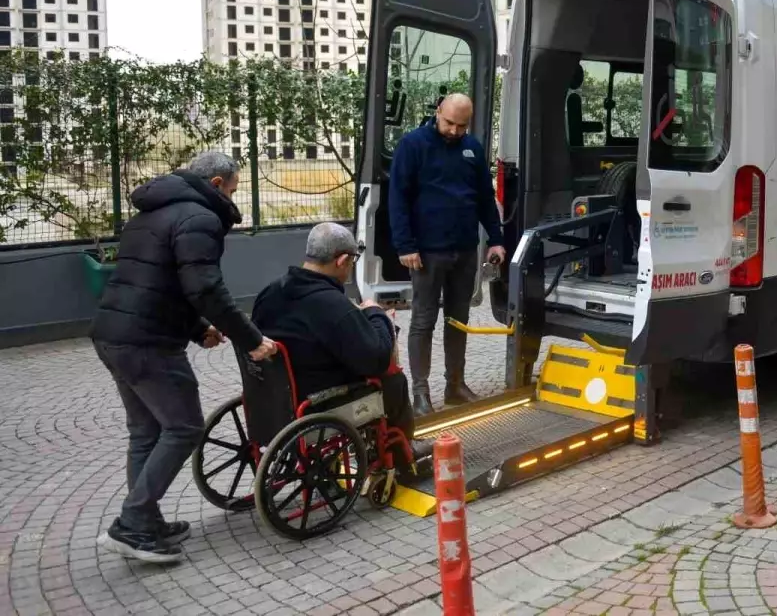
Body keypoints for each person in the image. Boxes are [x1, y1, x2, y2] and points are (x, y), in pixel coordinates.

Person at [90, 151, 277, 564]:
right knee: (184, 427)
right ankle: (134, 522)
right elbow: (205, 289)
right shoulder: (200, 218)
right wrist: (250, 339)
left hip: (113, 334)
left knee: (145, 432)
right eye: (232, 187)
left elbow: (157, 279)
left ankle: (145, 521)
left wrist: (197, 331)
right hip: (148, 343)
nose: (233, 195)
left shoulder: (152, 211)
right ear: (215, 184)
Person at [250, 222, 430, 457]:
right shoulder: (331, 305)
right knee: (393, 380)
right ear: (342, 260)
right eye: (352, 261)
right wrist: (376, 313)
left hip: (272, 399)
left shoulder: (270, 293)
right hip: (316, 401)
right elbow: (375, 359)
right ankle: (402, 451)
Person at [389, 92, 504, 416]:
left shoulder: (473, 149)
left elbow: (484, 197)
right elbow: (398, 198)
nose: (454, 131)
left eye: (461, 126)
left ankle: (455, 385)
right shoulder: (413, 145)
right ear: (437, 111)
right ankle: (421, 393)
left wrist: (496, 239)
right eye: (449, 123)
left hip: (465, 250)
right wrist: (405, 245)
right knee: (423, 322)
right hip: (426, 253)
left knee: (459, 320)